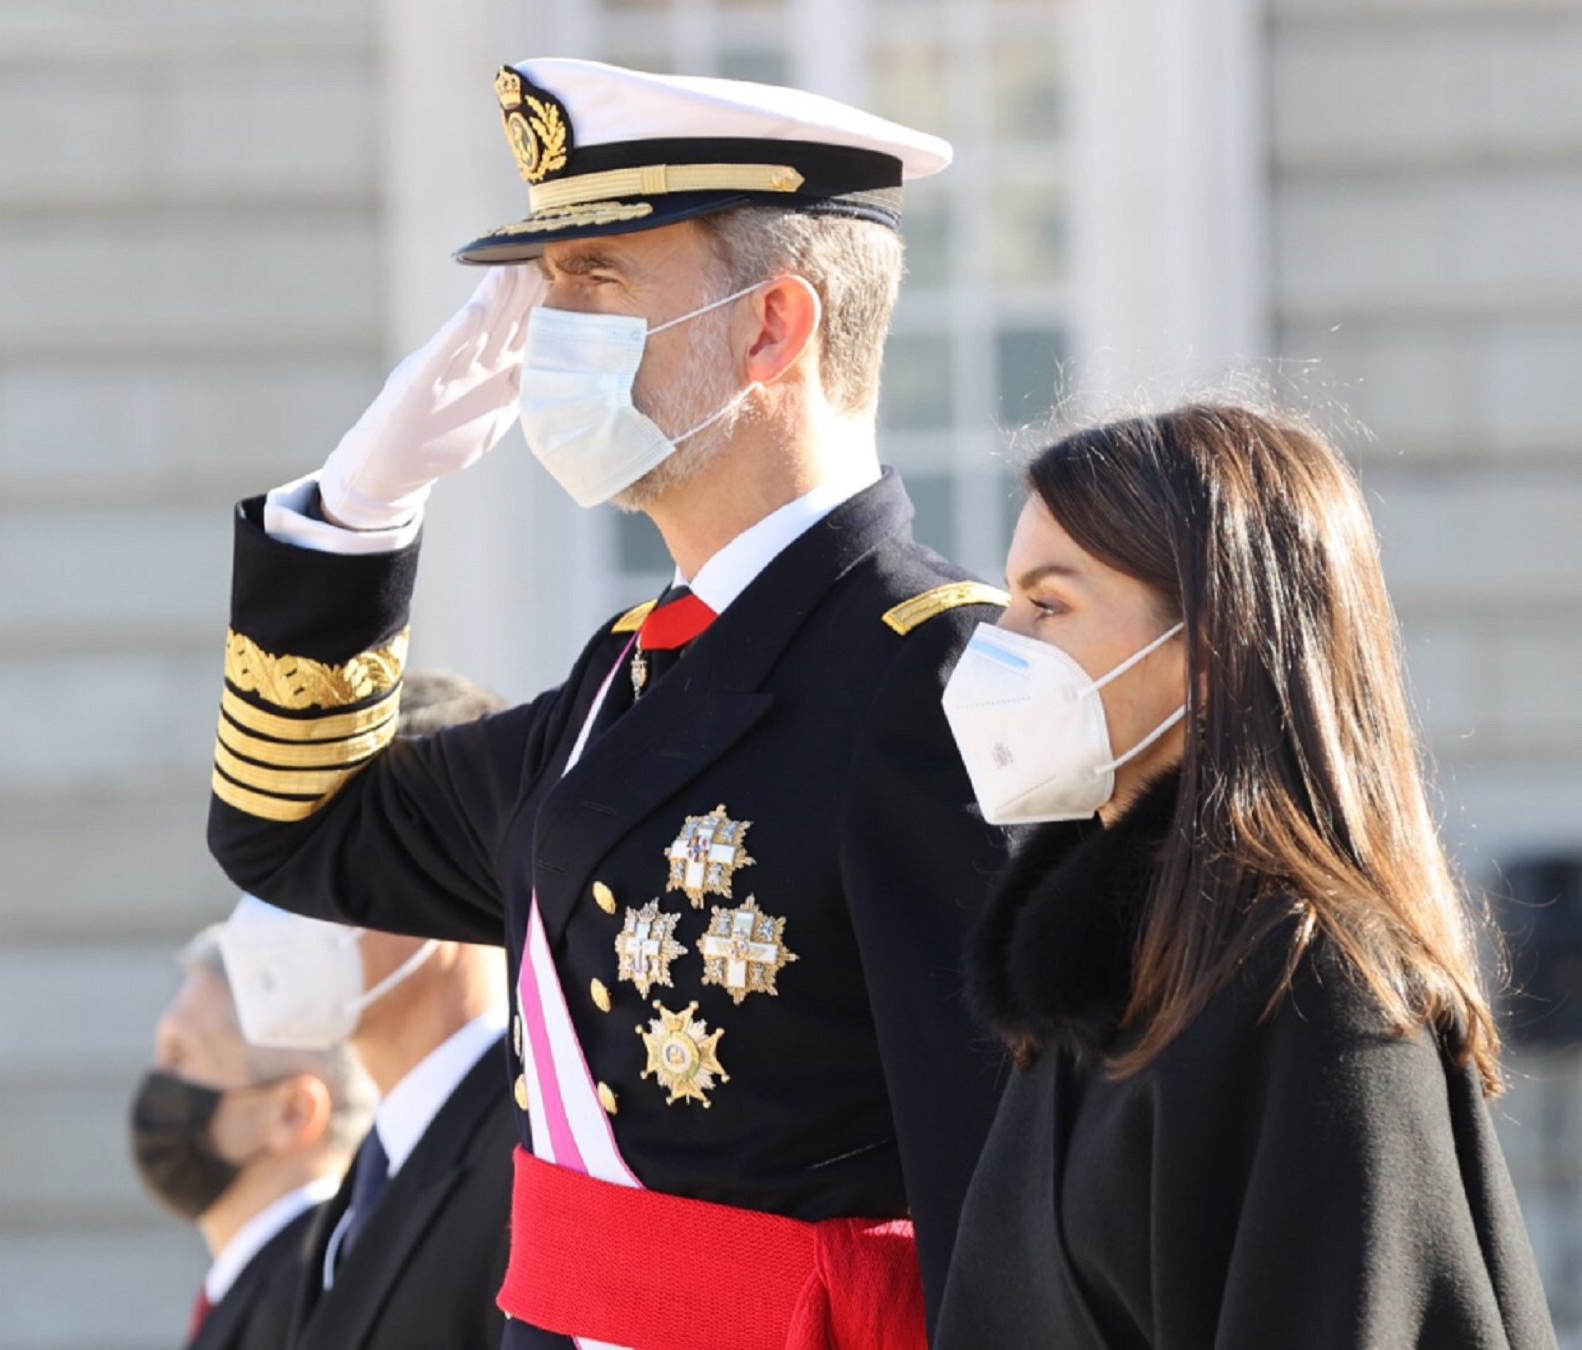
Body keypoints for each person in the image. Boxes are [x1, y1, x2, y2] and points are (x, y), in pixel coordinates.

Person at [204, 58, 1009, 1349]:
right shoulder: (621, 678)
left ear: (771, 327)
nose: (537, 330)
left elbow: (994, 1182)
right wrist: (355, 511)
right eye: (545, 284)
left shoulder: (931, 679)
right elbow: (295, 832)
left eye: (596, 279)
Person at [932, 405, 1559, 1349]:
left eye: (1048, 605)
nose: (999, 639)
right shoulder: (1099, 979)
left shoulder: (1311, 985)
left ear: (1211, 645)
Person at [217, 669, 519, 1350]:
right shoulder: (372, 1171)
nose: (287, 899)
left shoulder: (541, 1150)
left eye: (331, 852)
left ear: (441, 865)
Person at [131, 926, 375, 1350]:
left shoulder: (312, 1299)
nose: (158, 1081)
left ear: (292, 1113)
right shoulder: (271, 1281)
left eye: (180, 1056)